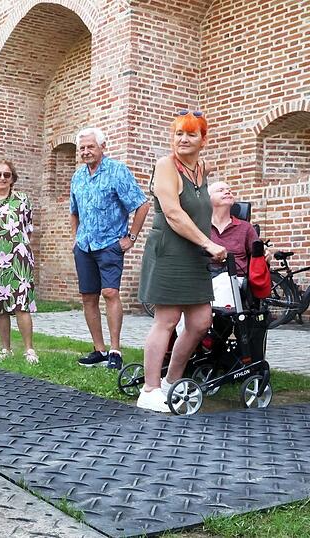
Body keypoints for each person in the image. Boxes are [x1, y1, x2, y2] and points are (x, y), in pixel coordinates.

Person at [137, 110, 227, 413]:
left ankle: (170, 382)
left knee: (201, 321)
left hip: (194, 253)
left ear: (203, 139)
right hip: (171, 251)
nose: (183, 139)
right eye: (178, 133)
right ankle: (149, 390)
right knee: (167, 320)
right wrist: (208, 242)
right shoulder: (165, 166)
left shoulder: (202, 168)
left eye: (191, 134)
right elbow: (174, 214)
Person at [71, 127, 150, 370]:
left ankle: (115, 350)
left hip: (109, 244)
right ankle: (99, 350)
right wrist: (76, 238)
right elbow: (74, 212)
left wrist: (131, 237)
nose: (86, 151)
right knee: (88, 297)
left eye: (90, 147)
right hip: (84, 245)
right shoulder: (78, 176)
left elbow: (142, 204)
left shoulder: (117, 171)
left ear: (102, 147)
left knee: (110, 293)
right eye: (82, 148)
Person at [0, 158, 38, 364]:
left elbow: (28, 228)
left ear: (12, 178)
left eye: (7, 175)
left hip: (19, 259)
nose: (2, 178)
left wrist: (20, 251)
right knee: (0, 305)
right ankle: (6, 349)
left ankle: (29, 350)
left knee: (22, 304)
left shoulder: (22, 200)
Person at [209, 181, 257, 276]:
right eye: (221, 190)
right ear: (208, 198)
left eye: (229, 190)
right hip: (205, 276)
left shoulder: (245, 227)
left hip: (235, 277)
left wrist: (265, 253)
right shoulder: (200, 225)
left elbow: (258, 254)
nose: (227, 192)